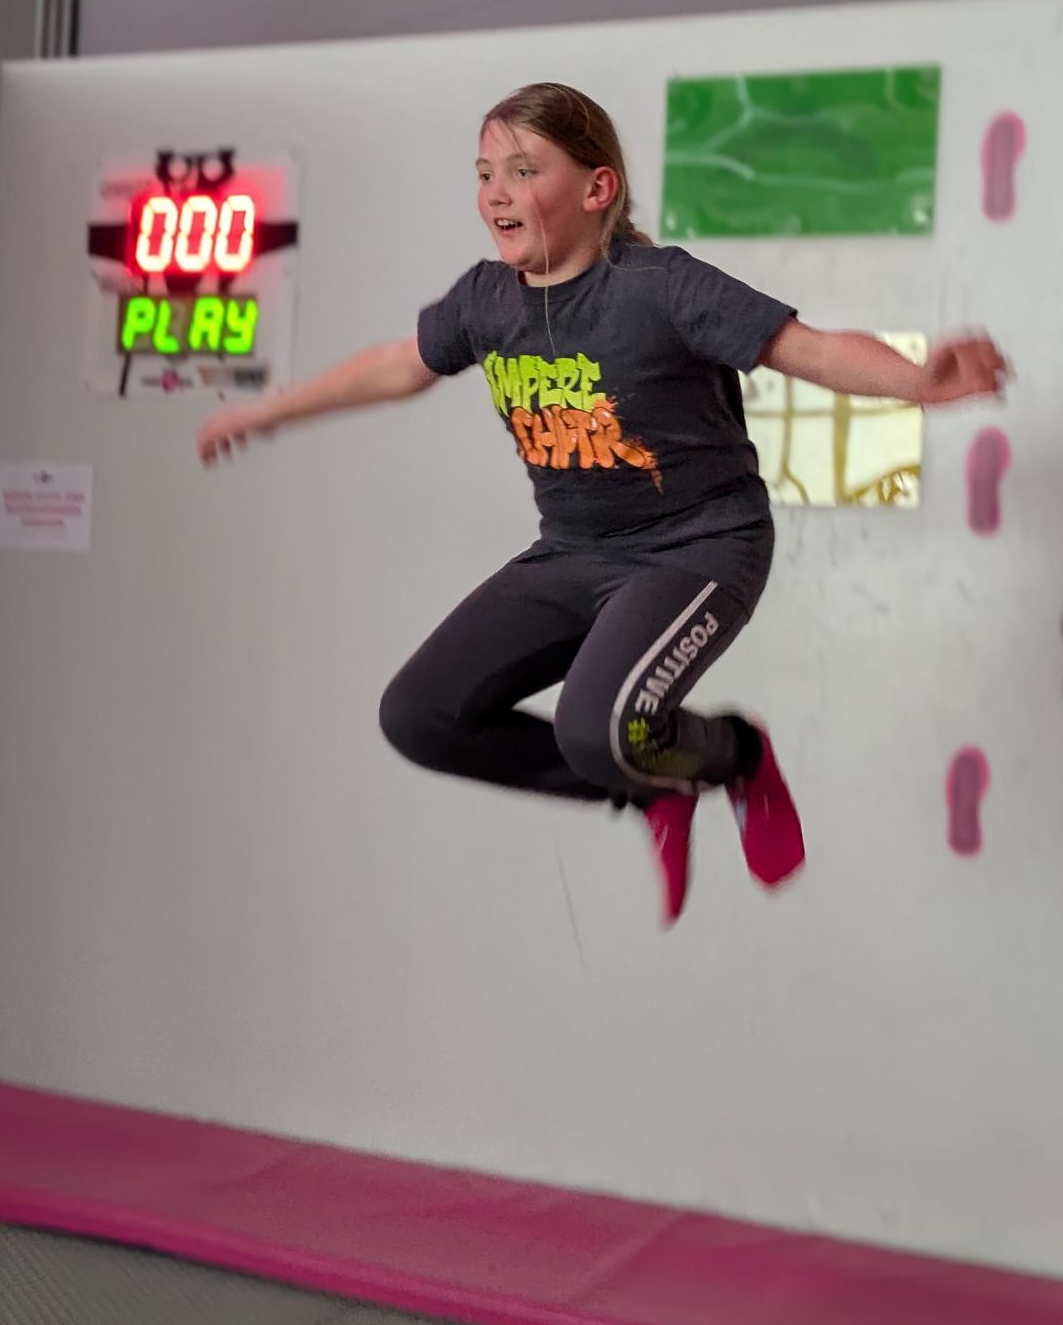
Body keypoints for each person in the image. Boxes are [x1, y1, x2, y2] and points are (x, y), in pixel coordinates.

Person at [197, 83, 1007, 927]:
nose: (496, 193)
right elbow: (402, 364)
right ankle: (648, 788)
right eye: (484, 174)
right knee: (419, 715)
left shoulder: (660, 288)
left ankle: (736, 754)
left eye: (523, 170)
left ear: (597, 189)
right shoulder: (486, 300)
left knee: (598, 726)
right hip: (573, 552)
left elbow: (811, 349)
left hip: (698, 548)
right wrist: (271, 409)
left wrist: (919, 382)